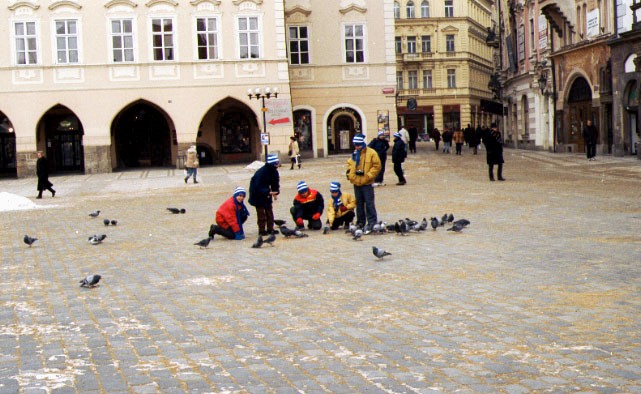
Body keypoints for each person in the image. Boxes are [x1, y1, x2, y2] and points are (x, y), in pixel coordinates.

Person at [346, 133, 381, 233]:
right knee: (359, 204)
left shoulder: (371, 153)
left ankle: (372, 222)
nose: (357, 147)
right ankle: (360, 221)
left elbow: (377, 166)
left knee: (369, 203)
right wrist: (350, 174)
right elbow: (349, 165)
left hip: (367, 183)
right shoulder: (354, 154)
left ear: (363, 144)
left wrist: (369, 175)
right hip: (356, 182)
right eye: (355, 145)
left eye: (358, 145)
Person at [248, 153, 281, 235]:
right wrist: (267, 192)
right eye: (276, 164)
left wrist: (276, 191)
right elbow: (256, 185)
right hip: (257, 194)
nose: (277, 165)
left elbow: (275, 182)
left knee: (269, 211)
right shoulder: (261, 173)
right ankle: (262, 230)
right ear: (271, 164)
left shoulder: (274, 171)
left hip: (266, 192)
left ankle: (270, 229)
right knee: (261, 213)